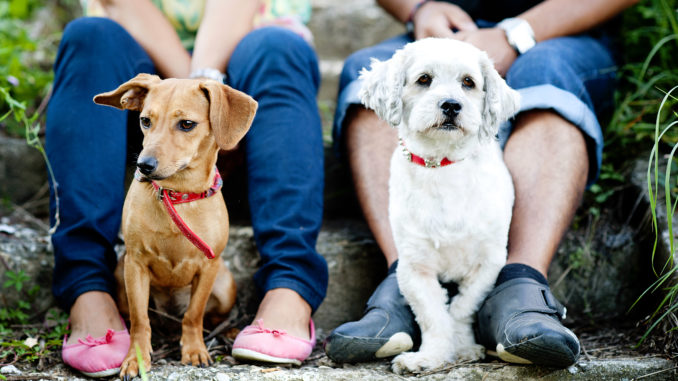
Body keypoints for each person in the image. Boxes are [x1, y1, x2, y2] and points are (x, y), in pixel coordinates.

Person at [324, 0, 638, 367]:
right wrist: (419, 8)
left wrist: (518, 32)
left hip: (564, 24)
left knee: (547, 69)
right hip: (444, 27)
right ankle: (404, 279)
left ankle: (519, 286)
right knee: (364, 67)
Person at [47, 0, 327, 376]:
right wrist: (178, 96)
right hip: (147, 112)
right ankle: (88, 286)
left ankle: (289, 285)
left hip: (245, 113)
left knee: (278, 46)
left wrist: (210, 104)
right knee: (91, 37)